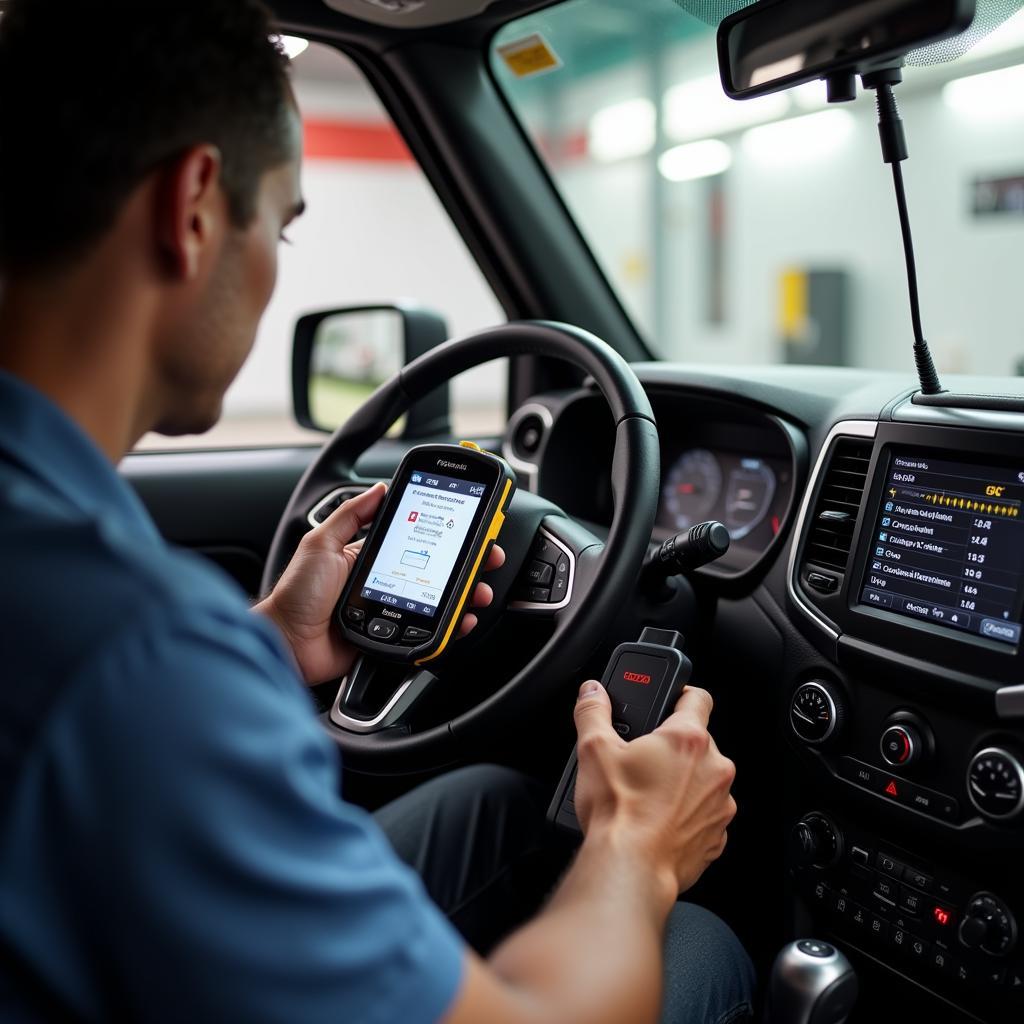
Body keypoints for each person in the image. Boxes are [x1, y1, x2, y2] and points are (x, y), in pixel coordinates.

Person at [0, 2, 754, 1022]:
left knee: (495, 803)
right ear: (191, 208)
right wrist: (637, 843)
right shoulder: (137, 654)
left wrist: (269, 643)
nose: (271, 270)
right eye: (282, 225)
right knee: (698, 940)